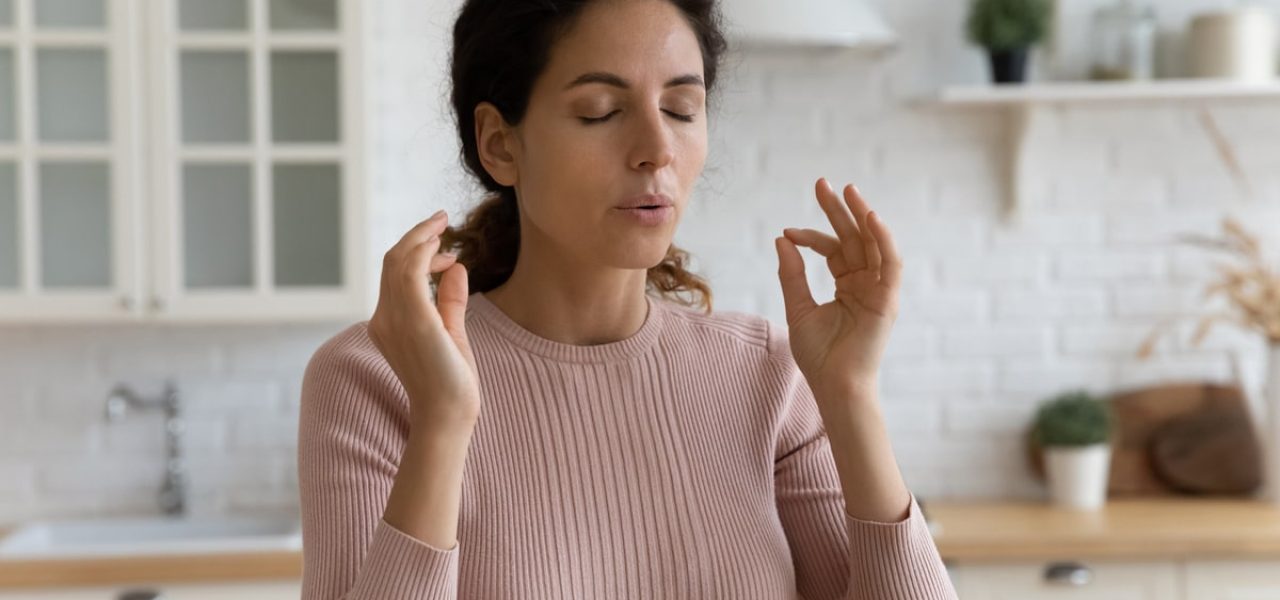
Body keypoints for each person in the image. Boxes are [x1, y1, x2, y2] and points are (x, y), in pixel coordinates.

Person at [297, 0, 958, 598]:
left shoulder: (766, 378)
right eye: (601, 112)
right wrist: (443, 420)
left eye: (680, 109)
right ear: (500, 143)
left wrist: (848, 396)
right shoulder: (376, 377)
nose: (656, 149)